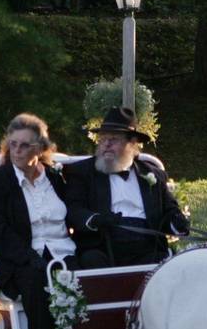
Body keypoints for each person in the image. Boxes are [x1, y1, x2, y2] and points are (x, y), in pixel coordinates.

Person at [0, 112, 77, 329]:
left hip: (65, 251)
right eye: (13, 144)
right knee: (37, 281)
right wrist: (30, 258)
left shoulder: (55, 178)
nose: (17, 151)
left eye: (24, 145)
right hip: (20, 260)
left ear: (40, 148)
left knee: (93, 274)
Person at [64, 106, 191, 267]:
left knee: (165, 266)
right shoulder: (82, 172)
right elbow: (73, 209)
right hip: (104, 242)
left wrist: (177, 223)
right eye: (103, 139)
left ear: (132, 144)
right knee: (92, 260)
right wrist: (95, 219)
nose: (106, 144)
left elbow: (169, 211)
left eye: (114, 139)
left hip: (147, 246)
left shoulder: (153, 175)